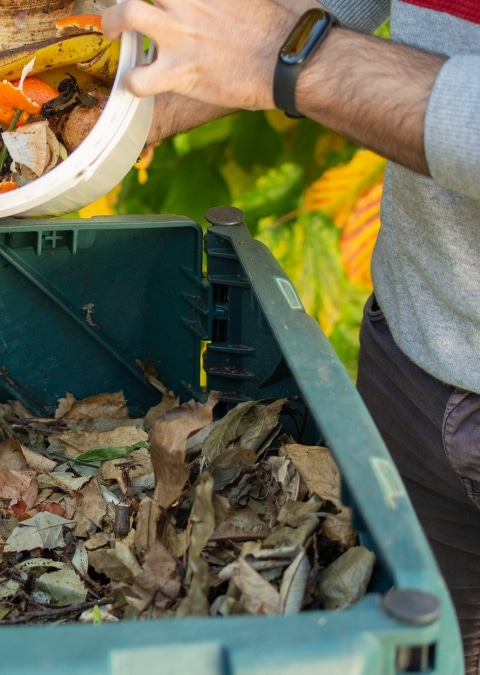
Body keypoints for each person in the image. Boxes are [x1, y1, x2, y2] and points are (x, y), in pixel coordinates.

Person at [102, 0, 480, 668]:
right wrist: (127, 91)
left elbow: (284, 42)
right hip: (411, 352)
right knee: (427, 652)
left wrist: (295, 53)